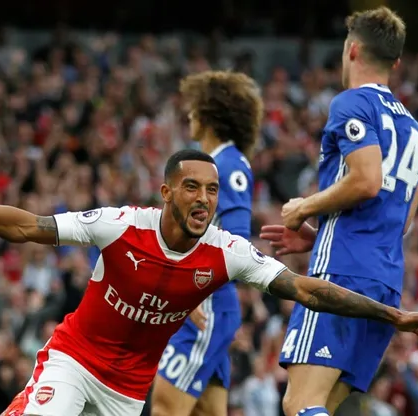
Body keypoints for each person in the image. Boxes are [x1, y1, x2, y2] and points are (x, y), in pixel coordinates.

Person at [0, 149, 418, 416]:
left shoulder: (226, 252)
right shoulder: (121, 226)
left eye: (213, 190)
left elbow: (308, 290)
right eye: (192, 187)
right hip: (74, 360)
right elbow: (27, 226)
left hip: (128, 393)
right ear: (166, 192)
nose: (205, 199)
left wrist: (395, 316)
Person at [259, 7, 418, 416]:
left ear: (352, 50)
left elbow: (367, 180)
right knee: (324, 406)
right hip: (385, 282)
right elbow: (403, 221)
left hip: (341, 273)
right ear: (396, 62)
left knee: (300, 402)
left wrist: (304, 207)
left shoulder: (352, 103)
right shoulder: (416, 132)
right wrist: (321, 234)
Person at [152, 71, 261, 416]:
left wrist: (194, 290)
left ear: (210, 114)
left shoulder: (229, 165)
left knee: (165, 407)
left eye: (194, 107)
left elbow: (236, 242)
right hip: (208, 301)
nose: (189, 114)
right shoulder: (210, 162)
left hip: (205, 302)